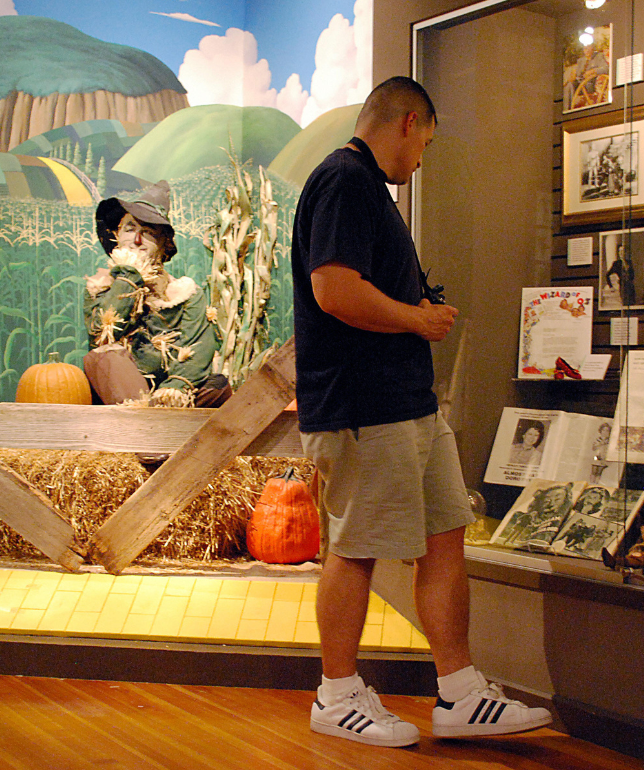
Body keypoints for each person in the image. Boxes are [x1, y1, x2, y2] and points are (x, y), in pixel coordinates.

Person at [292, 76, 552, 748]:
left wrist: (418, 320)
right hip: (362, 406)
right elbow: (334, 289)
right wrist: (418, 319)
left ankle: (459, 690)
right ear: (408, 122)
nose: (421, 161)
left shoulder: (369, 192)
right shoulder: (345, 181)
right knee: (356, 548)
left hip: (406, 406)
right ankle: (337, 692)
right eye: (425, 143)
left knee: (445, 536)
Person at [83, 181, 230, 408]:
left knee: (218, 387)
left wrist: (175, 388)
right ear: (116, 236)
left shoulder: (185, 292)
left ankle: (163, 414)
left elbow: (197, 345)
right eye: (129, 230)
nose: (137, 240)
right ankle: (147, 421)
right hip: (123, 392)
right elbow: (104, 332)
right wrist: (129, 275)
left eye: (148, 232)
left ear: (164, 244)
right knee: (106, 356)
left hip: (171, 392)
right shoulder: (100, 288)